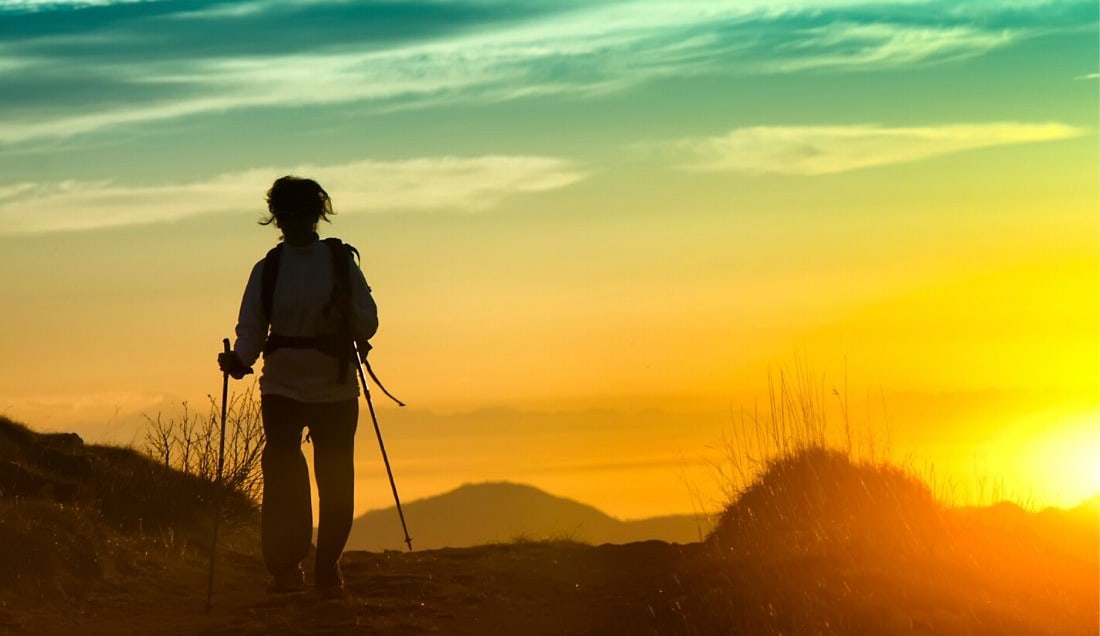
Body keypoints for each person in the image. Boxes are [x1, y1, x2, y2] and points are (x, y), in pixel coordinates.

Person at [218, 175, 378, 598]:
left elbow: (252, 329)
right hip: (330, 386)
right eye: (289, 214)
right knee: (334, 477)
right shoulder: (336, 262)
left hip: (289, 384)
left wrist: (238, 361)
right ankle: (322, 570)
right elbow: (369, 322)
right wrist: (240, 359)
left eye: (296, 213)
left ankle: (296, 570)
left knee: (290, 477)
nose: (292, 221)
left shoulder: (272, 269)